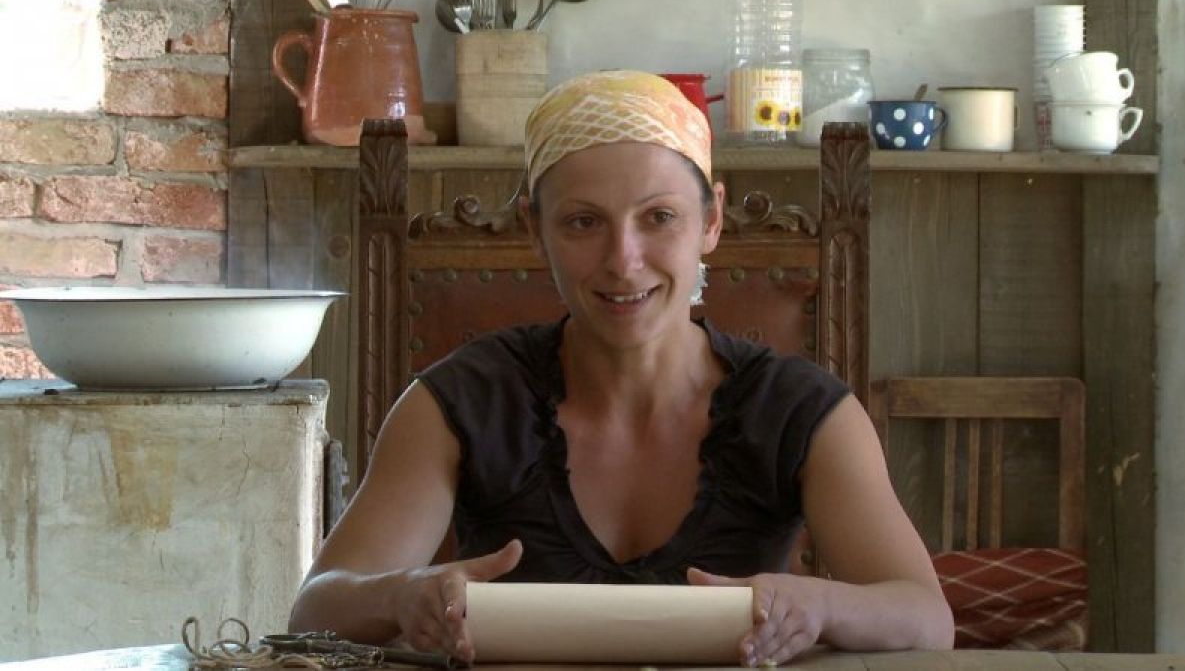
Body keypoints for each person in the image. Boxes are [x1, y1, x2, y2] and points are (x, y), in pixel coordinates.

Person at [289, 70, 954, 666]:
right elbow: (316, 609)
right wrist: (404, 594)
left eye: (659, 217)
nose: (623, 261)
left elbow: (926, 616)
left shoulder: (804, 410)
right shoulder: (456, 402)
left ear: (712, 221)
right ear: (534, 228)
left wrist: (817, 606)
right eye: (583, 223)